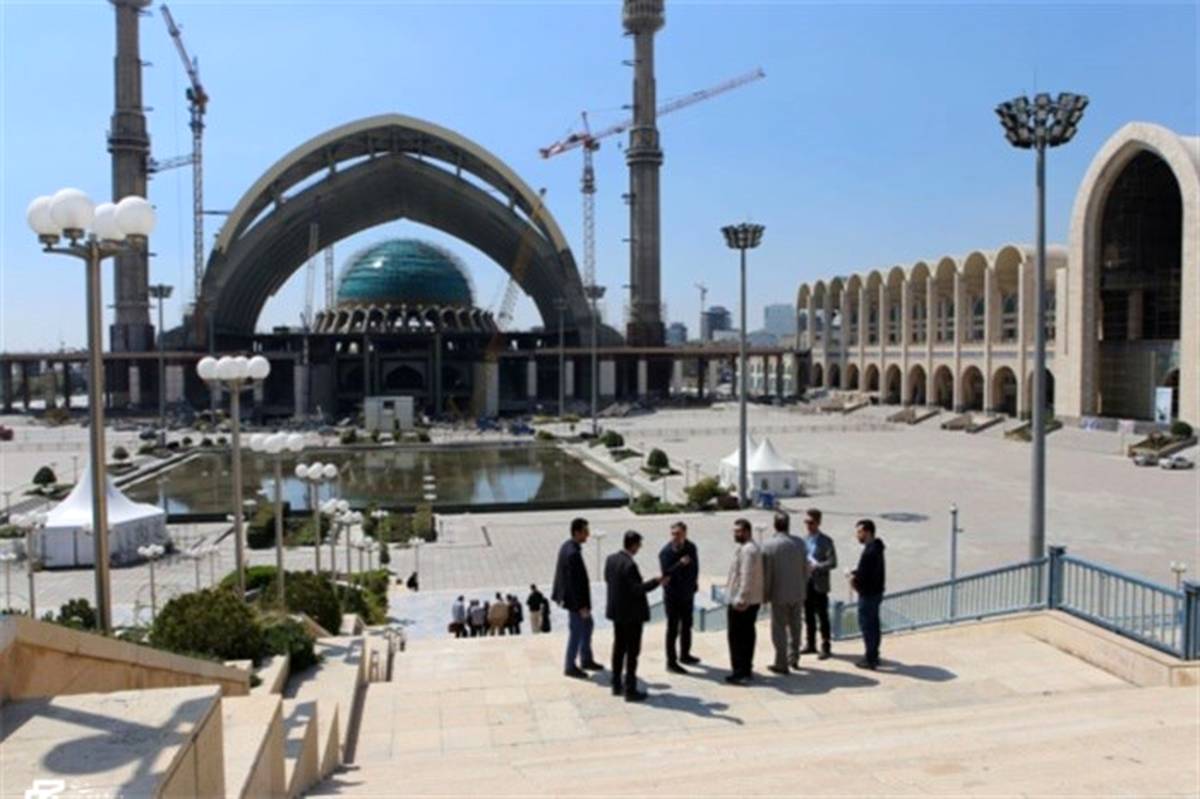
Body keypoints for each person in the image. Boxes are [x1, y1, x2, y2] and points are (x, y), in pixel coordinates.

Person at [605, 530, 666, 702]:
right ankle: (630, 689)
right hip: (631, 616)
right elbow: (637, 589)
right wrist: (656, 581)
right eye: (639, 544)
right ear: (633, 545)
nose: (640, 547)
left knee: (618, 648)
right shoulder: (630, 565)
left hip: (617, 612)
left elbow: (609, 580)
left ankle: (616, 684)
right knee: (632, 652)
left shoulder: (611, 559)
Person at [552, 517, 604, 678]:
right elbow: (573, 583)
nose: (588, 534)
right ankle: (570, 666)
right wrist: (581, 606)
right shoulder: (572, 553)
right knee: (577, 631)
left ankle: (586, 659)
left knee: (587, 625)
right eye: (585, 531)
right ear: (576, 532)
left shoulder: (568, 546)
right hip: (576, 603)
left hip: (575, 601)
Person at [761, 510, 808, 674]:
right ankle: (794, 657)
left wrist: (765, 595)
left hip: (779, 594)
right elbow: (805, 568)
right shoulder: (800, 543)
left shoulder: (768, 545)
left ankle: (781, 662)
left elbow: (767, 574)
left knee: (779, 629)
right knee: (796, 627)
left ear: (775, 525)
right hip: (798, 592)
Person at [724, 518, 764, 685]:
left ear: (747, 532)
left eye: (738, 531)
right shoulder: (748, 548)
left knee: (737, 637)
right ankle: (745, 669)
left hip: (743, 602)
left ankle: (740, 671)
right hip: (750, 600)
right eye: (735, 531)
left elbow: (746, 576)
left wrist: (741, 598)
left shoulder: (748, 550)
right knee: (746, 635)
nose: (735, 534)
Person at [658, 521, 700, 673]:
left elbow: (695, 567)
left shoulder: (691, 547)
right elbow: (666, 574)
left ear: (685, 534)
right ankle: (671, 662)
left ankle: (685, 654)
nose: (675, 537)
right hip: (672, 596)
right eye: (673, 534)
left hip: (687, 594)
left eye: (678, 534)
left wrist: (694, 583)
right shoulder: (665, 552)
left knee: (687, 625)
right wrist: (680, 564)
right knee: (673, 629)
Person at [801, 508, 838, 659]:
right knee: (808, 614)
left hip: (820, 583)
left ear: (818, 523)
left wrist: (817, 566)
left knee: (822, 615)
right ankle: (810, 643)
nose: (808, 526)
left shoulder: (826, 541)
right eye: (806, 522)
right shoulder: (803, 540)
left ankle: (826, 646)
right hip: (806, 582)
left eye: (811, 522)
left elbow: (833, 562)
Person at [850, 518, 886, 670]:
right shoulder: (877, 548)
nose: (857, 535)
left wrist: (853, 580)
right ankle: (874, 654)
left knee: (867, 626)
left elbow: (864, 577)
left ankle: (870, 658)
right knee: (874, 625)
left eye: (860, 532)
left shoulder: (869, 552)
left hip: (868, 594)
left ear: (868, 532)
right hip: (876, 592)